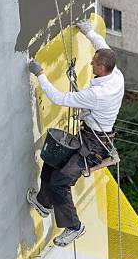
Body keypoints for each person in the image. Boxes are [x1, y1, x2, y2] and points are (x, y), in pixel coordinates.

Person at [26, 19, 124, 247]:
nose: (90, 63)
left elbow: (59, 98)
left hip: (94, 145)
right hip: (89, 134)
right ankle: (43, 203)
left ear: (101, 68)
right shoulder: (114, 74)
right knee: (52, 161)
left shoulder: (99, 93)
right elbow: (102, 45)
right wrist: (88, 31)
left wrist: (40, 73)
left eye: (93, 63)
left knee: (61, 181)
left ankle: (74, 227)